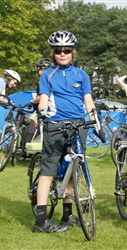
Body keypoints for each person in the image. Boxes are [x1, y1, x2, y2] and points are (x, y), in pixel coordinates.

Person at [34, 30, 97, 233]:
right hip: (55, 125)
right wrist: (41, 113)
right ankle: (41, 222)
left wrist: (94, 119)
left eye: (66, 50)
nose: (62, 54)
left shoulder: (81, 75)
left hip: (78, 125)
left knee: (73, 170)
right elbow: (43, 99)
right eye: (58, 50)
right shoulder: (47, 75)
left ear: (73, 52)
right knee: (49, 171)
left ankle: (68, 214)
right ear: (53, 53)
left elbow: (87, 99)